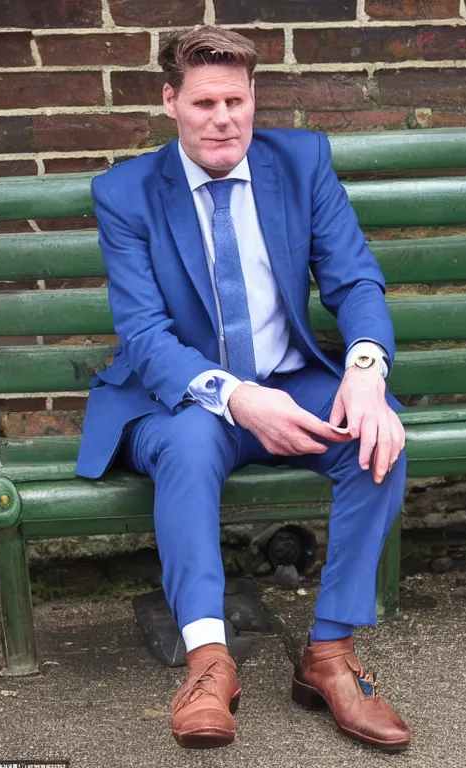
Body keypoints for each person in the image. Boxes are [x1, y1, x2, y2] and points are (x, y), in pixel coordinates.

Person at [76, 25, 411, 751]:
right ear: (171, 101)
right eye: (203, 102)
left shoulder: (301, 162)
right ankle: (208, 663)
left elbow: (354, 278)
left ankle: (329, 654)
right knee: (192, 447)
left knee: (378, 436)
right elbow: (145, 335)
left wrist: (364, 370)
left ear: (254, 96)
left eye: (236, 99)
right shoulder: (126, 192)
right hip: (183, 395)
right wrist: (236, 397)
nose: (222, 118)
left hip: (290, 379)